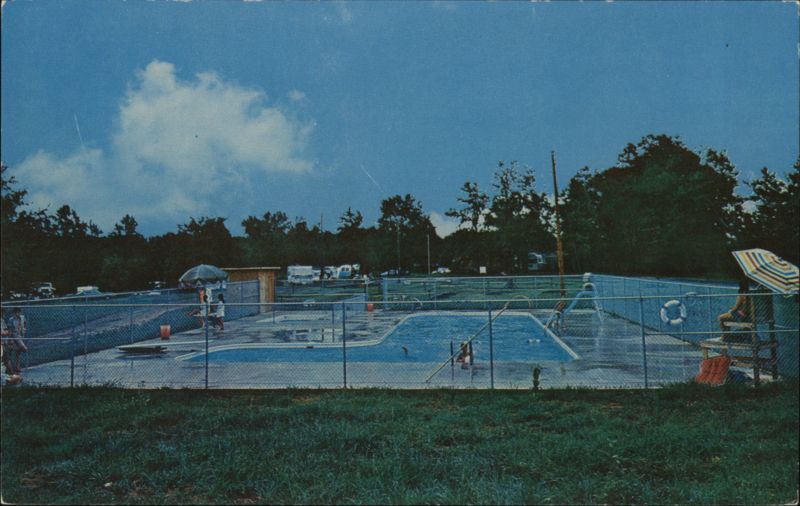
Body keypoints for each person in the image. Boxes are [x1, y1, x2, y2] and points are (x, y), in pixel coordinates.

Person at [8, 308, 29, 374]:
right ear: (14, 313)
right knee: (24, 349)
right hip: (15, 336)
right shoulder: (11, 319)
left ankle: (17, 367)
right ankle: (10, 367)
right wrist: (10, 339)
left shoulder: (22, 317)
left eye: (19, 312)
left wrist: (24, 329)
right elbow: (10, 330)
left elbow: (25, 323)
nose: (18, 314)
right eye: (16, 312)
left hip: (21, 335)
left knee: (18, 352)